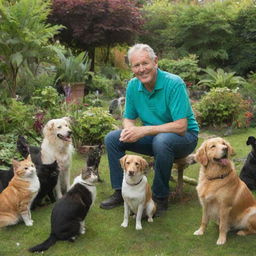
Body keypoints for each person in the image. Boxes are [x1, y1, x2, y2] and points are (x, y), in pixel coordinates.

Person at [100, 43, 199, 215]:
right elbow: (129, 118)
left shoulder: (174, 84)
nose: (141, 69)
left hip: (184, 138)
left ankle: (160, 198)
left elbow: (181, 126)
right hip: (155, 137)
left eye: (145, 63)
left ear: (155, 62)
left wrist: (143, 131)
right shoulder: (133, 85)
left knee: (162, 140)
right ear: (131, 68)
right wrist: (129, 130)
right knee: (112, 138)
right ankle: (120, 191)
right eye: (136, 65)